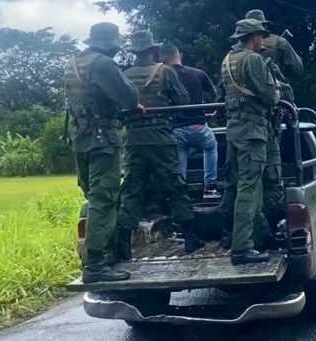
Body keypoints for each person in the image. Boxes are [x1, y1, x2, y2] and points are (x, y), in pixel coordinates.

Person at [114, 31, 204, 262]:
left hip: (133, 140)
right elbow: (183, 100)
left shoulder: (123, 75)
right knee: (175, 186)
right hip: (161, 138)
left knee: (132, 190)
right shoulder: (164, 72)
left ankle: (123, 244)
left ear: (134, 51)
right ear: (153, 50)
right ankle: (190, 237)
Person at [64, 22, 140, 283]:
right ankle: (96, 264)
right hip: (102, 138)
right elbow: (129, 97)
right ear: (110, 45)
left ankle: (102, 255)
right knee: (104, 199)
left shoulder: (74, 63)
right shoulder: (103, 64)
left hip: (81, 137)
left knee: (94, 197)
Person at [219, 18, 280, 265]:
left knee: (246, 186)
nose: (263, 40)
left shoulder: (227, 60)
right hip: (253, 130)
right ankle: (242, 248)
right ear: (254, 37)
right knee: (249, 189)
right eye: (261, 36)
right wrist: (277, 91)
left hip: (234, 129)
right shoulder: (253, 59)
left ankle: (260, 235)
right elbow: (268, 96)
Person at [160, 44, 220, 198]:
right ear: (179, 55)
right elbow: (214, 93)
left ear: (162, 59)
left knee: (180, 158)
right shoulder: (198, 73)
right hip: (198, 126)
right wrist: (214, 110)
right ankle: (210, 187)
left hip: (175, 129)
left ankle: (181, 192)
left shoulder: (162, 76)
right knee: (211, 146)